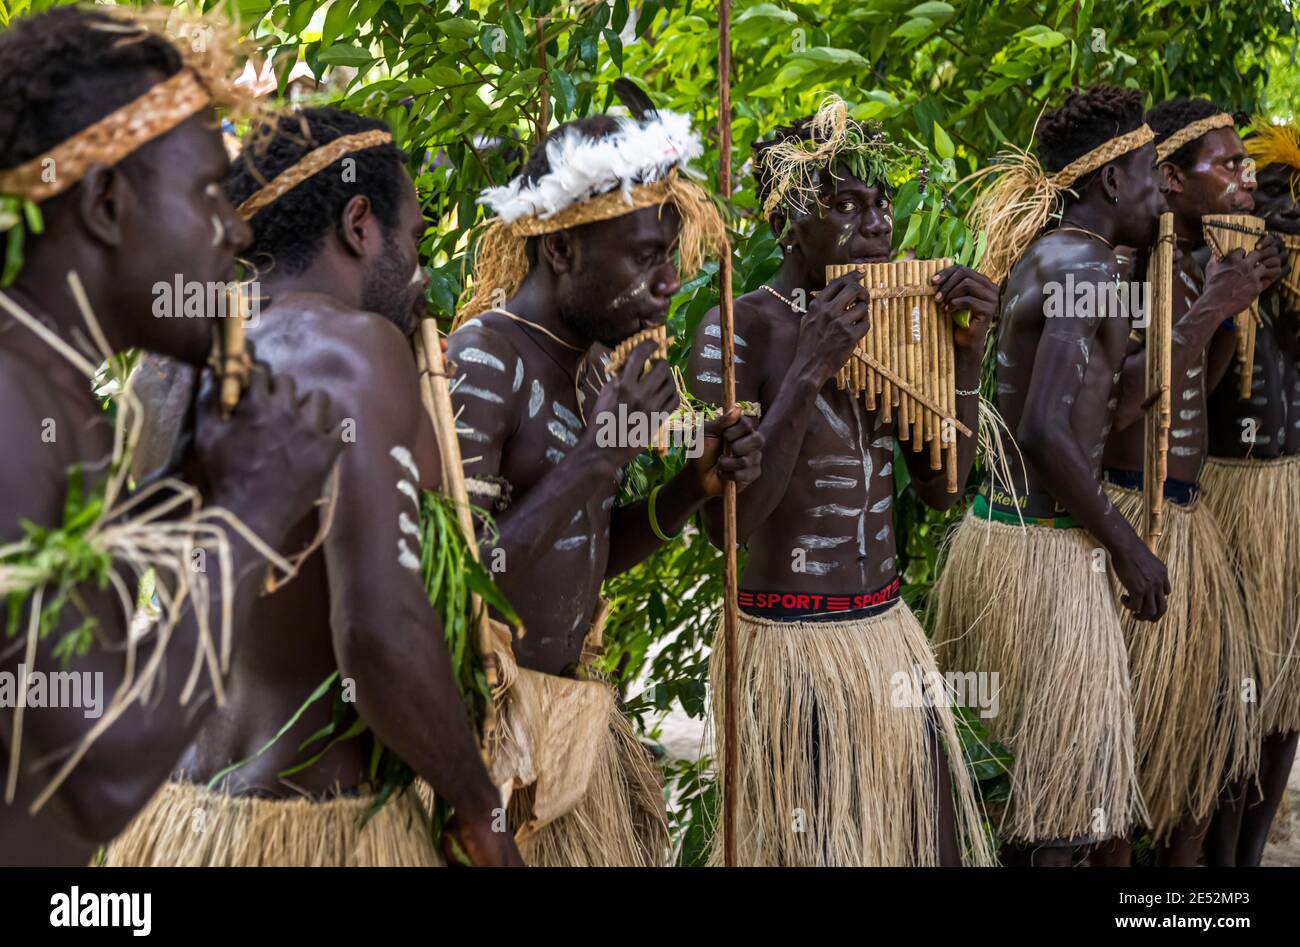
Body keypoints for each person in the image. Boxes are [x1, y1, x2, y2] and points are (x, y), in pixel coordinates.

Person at [107, 107, 523, 866]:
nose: (420, 269)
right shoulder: (351, 350)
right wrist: (479, 811)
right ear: (360, 222)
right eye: (414, 240)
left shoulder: (162, 372)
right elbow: (376, 632)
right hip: (309, 828)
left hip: (175, 816)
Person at [0, 7, 339, 865]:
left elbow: (74, 649)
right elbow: (98, 777)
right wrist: (249, 515)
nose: (235, 231)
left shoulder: (53, 389)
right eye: (205, 196)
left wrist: (200, 486)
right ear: (107, 202)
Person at [448, 91, 763, 865]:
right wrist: (601, 455)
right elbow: (456, 578)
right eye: (644, 256)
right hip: (481, 736)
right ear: (561, 250)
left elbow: (584, 550)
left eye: (667, 254)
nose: (666, 282)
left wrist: (692, 487)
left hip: (565, 723)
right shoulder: (486, 361)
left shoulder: (592, 372)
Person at [687, 95, 998, 866]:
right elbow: (725, 525)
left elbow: (944, 488)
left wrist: (963, 351)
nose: (877, 222)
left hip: (887, 636)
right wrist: (811, 365)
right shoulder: (741, 326)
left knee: (935, 848)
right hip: (792, 648)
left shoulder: (900, 324)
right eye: (845, 205)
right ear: (785, 224)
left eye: (882, 202)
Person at [934, 85, 1168, 866]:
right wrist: (1127, 547)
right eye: (1151, 172)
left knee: (1023, 809)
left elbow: (1090, 399)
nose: (1162, 190)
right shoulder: (1086, 264)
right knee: (1059, 827)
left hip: (1004, 543)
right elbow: (1043, 429)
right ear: (1110, 182)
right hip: (1046, 558)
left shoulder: (1052, 253)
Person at [1092, 98, 1279, 866]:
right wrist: (1207, 312)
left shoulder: (1205, 263)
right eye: (1228, 165)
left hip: (1190, 518)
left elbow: (1196, 385)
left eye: (1247, 163)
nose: (1246, 178)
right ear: (1169, 178)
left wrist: (1235, 310)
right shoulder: (1121, 265)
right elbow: (1107, 410)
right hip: (1134, 517)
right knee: (1114, 771)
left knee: (1203, 763)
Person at [1204, 117, 1300, 866]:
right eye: (1276, 190)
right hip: (1229, 500)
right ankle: (1211, 860)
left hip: (1289, 502)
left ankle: (1248, 860)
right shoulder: (1215, 266)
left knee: (1286, 697)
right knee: (1233, 693)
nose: (1290, 210)